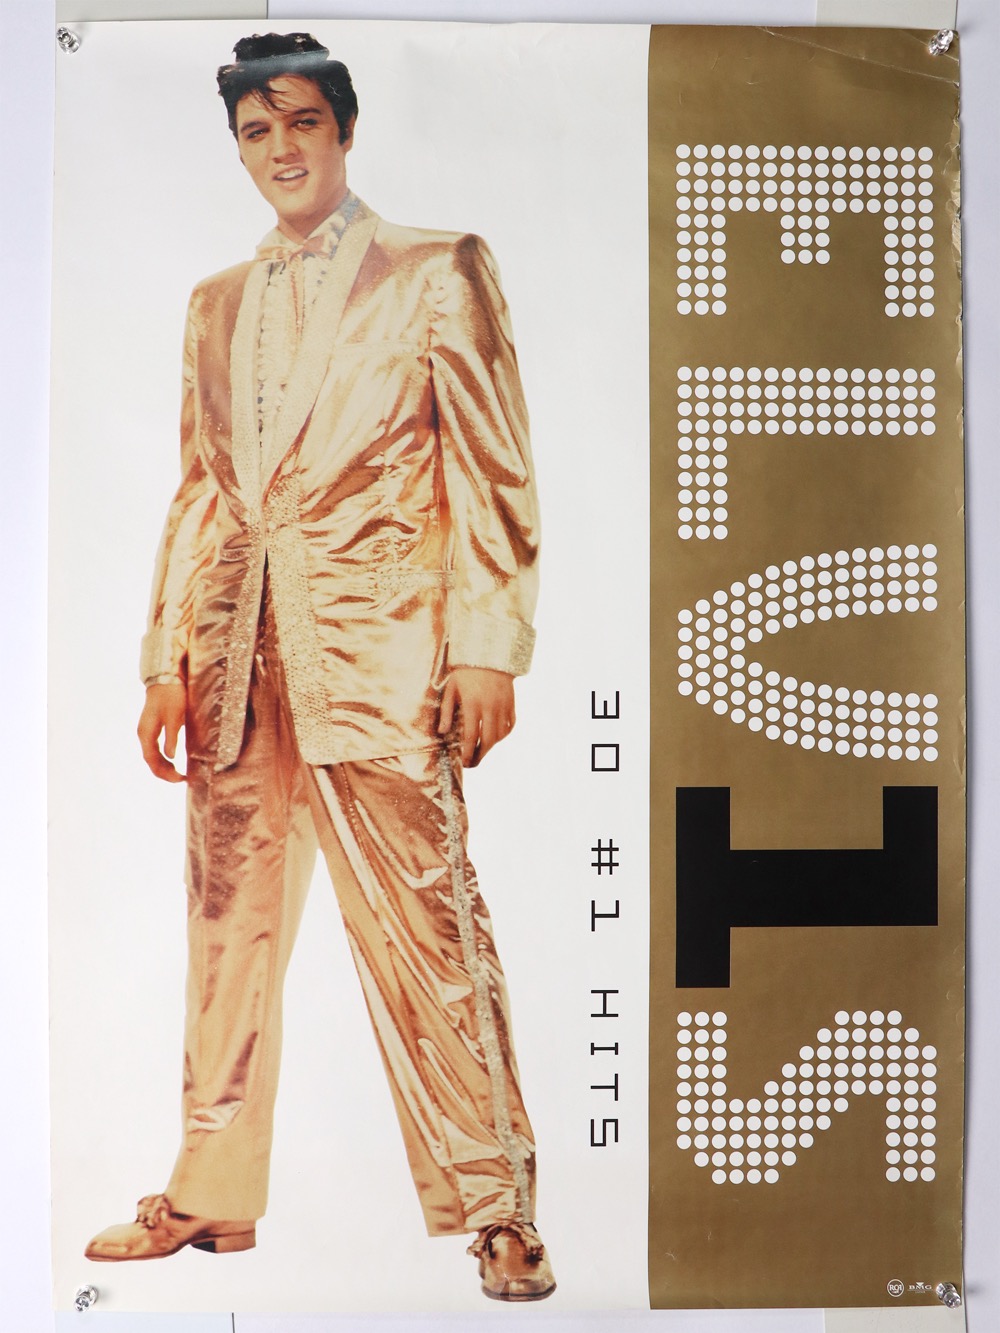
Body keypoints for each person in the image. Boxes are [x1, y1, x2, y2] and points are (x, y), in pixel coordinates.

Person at [84, 31, 554, 1303]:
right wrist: (166, 658)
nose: (281, 148)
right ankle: (210, 1192)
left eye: (301, 122)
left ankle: (499, 1206)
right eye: (257, 131)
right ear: (238, 149)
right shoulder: (214, 303)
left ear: (343, 130)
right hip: (236, 656)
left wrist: (487, 646)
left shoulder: (437, 268)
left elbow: (493, 470)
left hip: (382, 653)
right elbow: (202, 488)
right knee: (225, 931)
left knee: (428, 929)